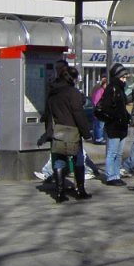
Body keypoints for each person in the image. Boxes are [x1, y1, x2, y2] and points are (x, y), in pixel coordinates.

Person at [45, 65, 94, 202]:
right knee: (78, 159)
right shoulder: (72, 93)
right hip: (73, 131)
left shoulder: (53, 92)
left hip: (58, 131)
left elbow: (48, 113)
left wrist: (48, 131)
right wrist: (86, 132)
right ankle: (80, 190)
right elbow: (78, 113)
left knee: (59, 160)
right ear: (72, 78)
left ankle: (60, 193)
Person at [97, 62, 131, 186]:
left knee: (119, 153)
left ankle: (115, 174)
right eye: (122, 77)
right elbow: (107, 108)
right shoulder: (112, 88)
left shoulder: (120, 89)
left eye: (125, 77)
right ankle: (111, 176)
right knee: (113, 152)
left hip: (121, 125)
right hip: (114, 126)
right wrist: (115, 118)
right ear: (117, 77)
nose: (124, 80)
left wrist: (126, 117)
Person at [90, 74, 108, 144]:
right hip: (100, 111)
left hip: (100, 111)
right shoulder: (100, 90)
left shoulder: (100, 89)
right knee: (100, 125)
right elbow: (96, 101)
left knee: (99, 125)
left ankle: (98, 137)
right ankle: (99, 138)